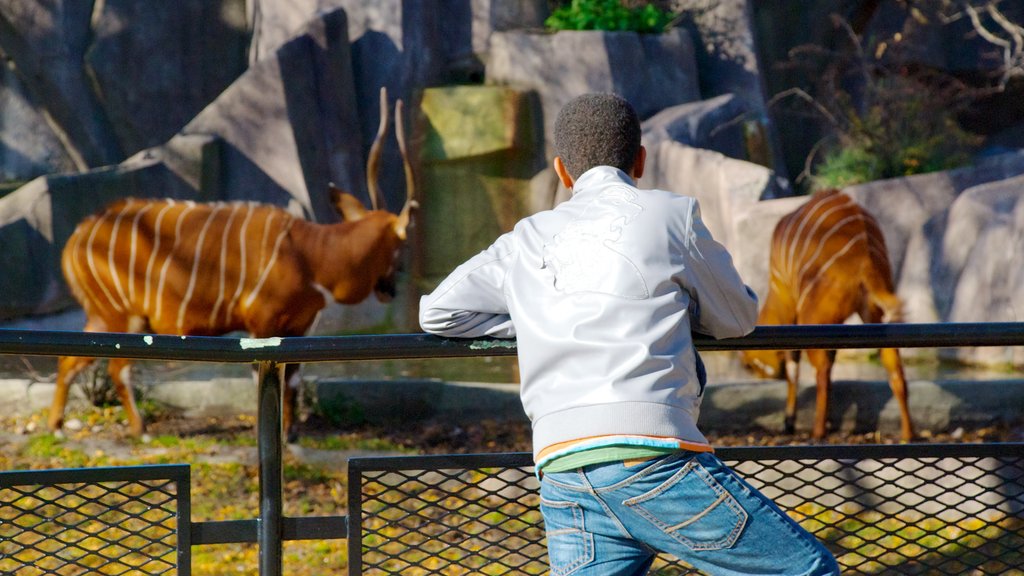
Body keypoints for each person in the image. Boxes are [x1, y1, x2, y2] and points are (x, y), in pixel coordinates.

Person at [419, 93, 840, 576]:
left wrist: (539, 317)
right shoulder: (671, 214)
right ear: (640, 160)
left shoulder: (528, 236)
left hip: (561, 468)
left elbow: (438, 313)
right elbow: (739, 317)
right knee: (809, 570)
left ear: (561, 171)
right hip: (650, 456)